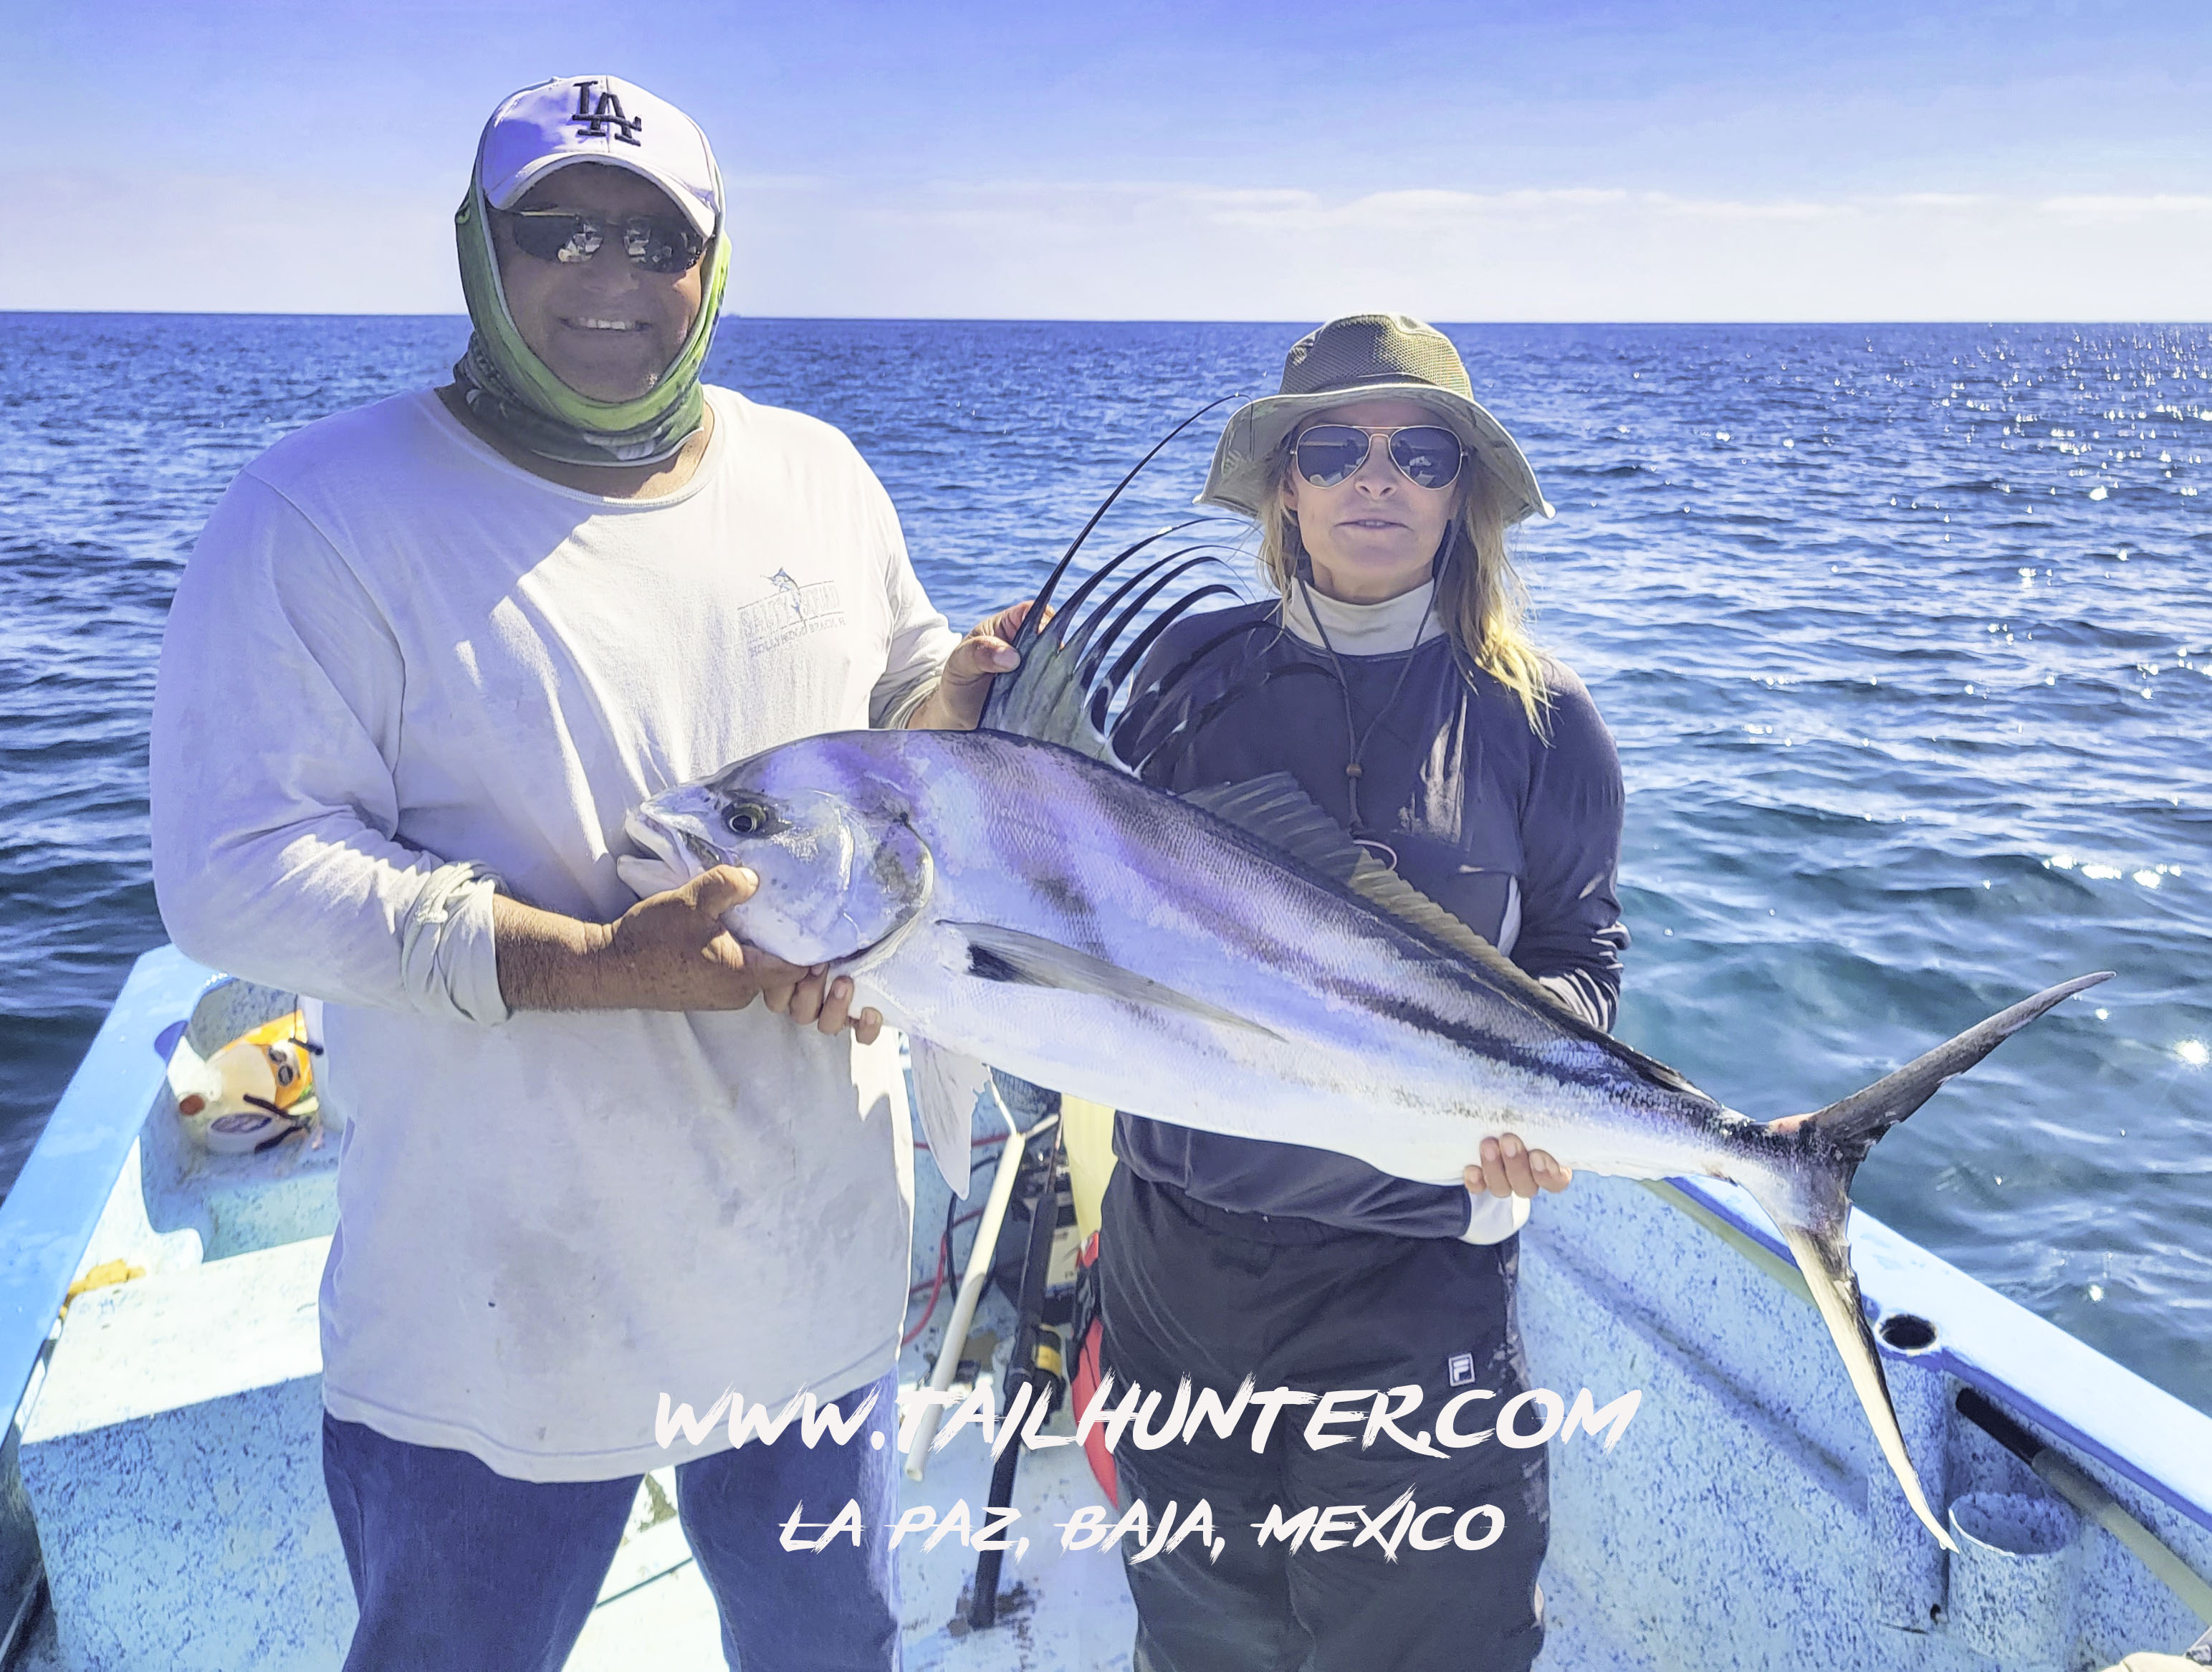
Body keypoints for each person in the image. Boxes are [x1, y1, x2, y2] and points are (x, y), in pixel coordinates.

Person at [149, 75, 1023, 1672]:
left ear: (715, 262)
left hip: (808, 1275)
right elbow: (232, 874)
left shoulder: (818, 473)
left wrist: (949, 705)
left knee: (829, 1647)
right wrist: (591, 962)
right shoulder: (317, 511)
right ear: (479, 250)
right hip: (493, 1317)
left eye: (655, 238)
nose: (609, 275)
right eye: (557, 231)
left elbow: (893, 712)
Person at [1098, 314, 1627, 1672]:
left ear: (1463, 493)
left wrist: (1532, 1088)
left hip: (1415, 1279)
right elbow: (1065, 884)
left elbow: (1580, 954)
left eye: (1418, 454)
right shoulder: (1181, 677)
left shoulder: (1543, 718)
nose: (1374, 479)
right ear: (1287, 486)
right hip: (1176, 1267)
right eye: (1334, 450)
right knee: (1202, 1643)